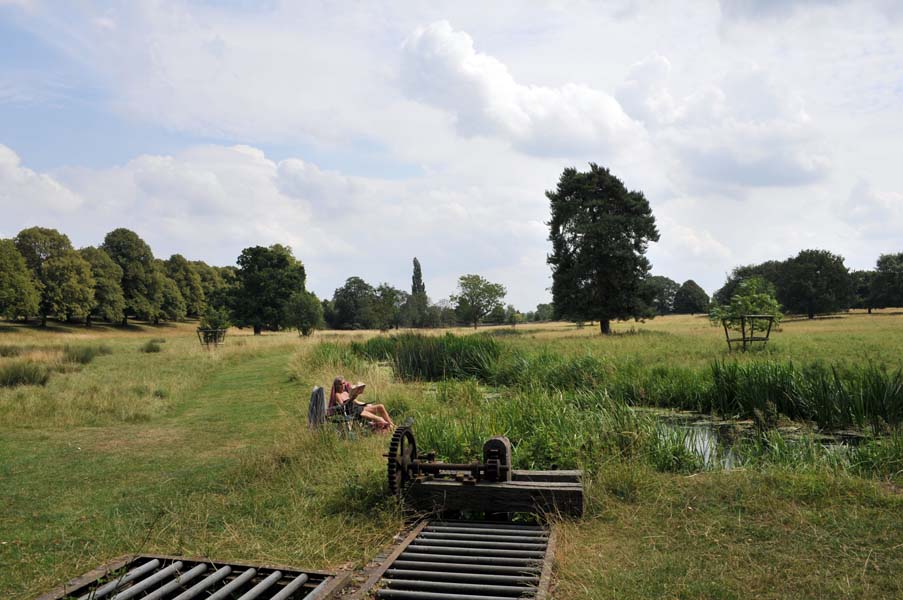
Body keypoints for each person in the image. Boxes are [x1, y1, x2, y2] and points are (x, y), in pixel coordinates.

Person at [328, 376, 395, 431]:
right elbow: (343, 406)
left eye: (343, 383)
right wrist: (352, 398)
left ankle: (393, 425)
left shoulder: (346, 392)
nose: (342, 386)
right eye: (340, 384)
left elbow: (356, 402)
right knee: (380, 419)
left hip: (358, 407)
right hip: (354, 411)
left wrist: (366, 404)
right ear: (336, 386)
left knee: (380, 406)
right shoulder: (337, 395)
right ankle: (390, 428)